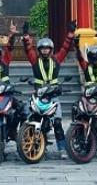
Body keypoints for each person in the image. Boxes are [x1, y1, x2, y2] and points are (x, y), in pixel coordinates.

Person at [22, 20, 76, 158]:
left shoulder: (57, 59)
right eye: (42, 48)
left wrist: (70, 33)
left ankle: (62, 148)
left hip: (53, 97)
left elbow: (65, 48)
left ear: (51, 50)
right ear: (39, 50)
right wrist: (26, 35)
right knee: (30, 118)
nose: (45, 50)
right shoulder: (35, 60)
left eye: (47, 48)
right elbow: (28, 49)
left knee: (57, 122)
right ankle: (35, 144)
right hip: (38, 96)